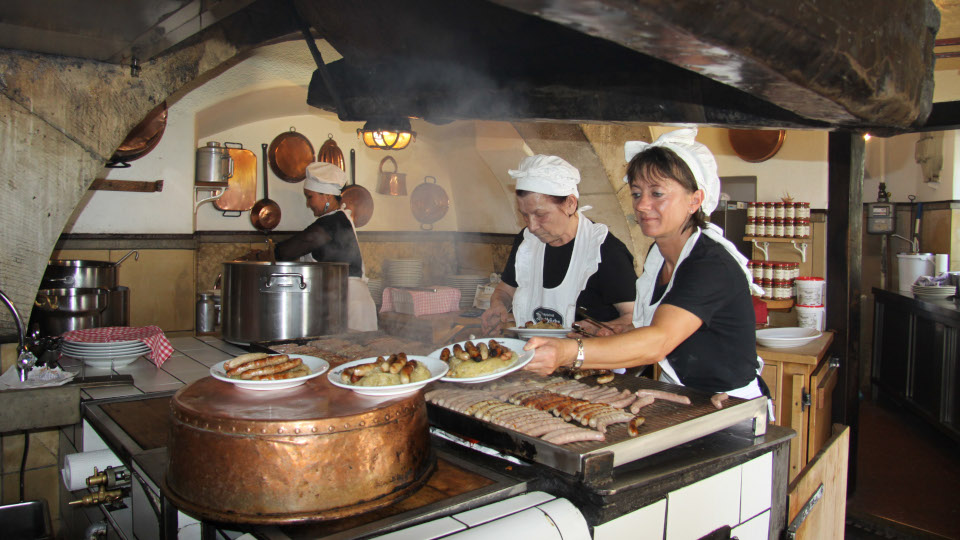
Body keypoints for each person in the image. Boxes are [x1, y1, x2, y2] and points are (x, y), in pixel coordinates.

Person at [523, 128, 768, 400]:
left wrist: (568, 352)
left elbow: (659, 341)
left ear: (695, 200)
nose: (641, 205)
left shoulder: (710, 264)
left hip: (729, 405)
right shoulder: (659, 254)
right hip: (683, 394)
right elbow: (673, 326)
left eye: (657, 193)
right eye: (637, 193)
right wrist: (624, 331)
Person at [480, 155, 636, 335]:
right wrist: (499, 305)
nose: (532, 226)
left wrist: (599, 329)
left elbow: (634, 317)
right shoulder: (526, 242)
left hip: (588, 360)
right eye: (525, 215)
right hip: (533, 356)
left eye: (540, 215)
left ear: (570, 204)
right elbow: (505, 290)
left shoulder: (605, 250)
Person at [272, 162, 378, 332]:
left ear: (326, 196)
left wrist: (262, 255)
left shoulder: (332, 222)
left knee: (353, 355)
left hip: (349, 305)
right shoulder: (338, 219)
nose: (308, 204)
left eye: (309, 196)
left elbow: (288, 250)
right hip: (344, 303)